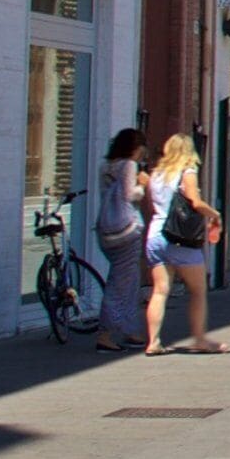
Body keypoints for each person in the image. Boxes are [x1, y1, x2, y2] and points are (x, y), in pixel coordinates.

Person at [142, 133, 230, 354]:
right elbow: (194, 201)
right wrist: (214, 214)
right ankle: (199, 338)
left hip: (155, 235)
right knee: (198, 290)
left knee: (160, 291)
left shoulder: (157, 174)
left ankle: (153, 341)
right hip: (179, 238)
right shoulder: (187, 172)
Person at [90, 128, 150, 353]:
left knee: (129, 280)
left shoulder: (105, 166)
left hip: (106, 230)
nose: (141, 155)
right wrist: (142, 184)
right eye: (140, 150)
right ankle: (105, 334)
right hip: (126, 231)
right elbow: (130, 195)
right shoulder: (128, 165)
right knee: (120, 283)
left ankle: (129, 329)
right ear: (134, 148)